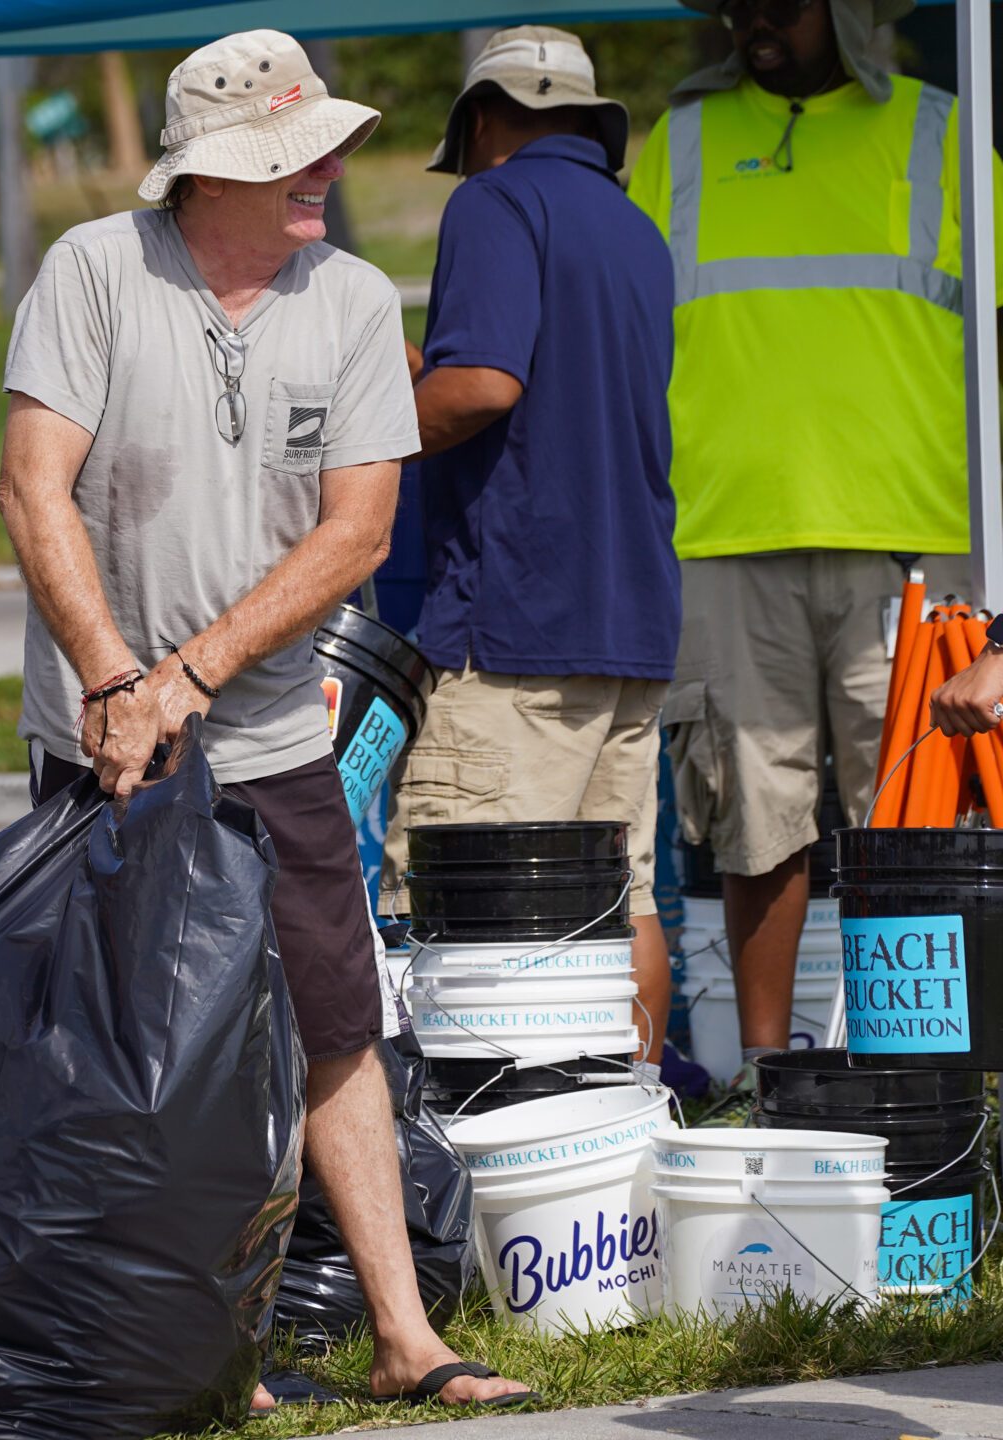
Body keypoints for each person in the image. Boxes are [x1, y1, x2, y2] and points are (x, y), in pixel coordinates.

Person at [0, 29, 531, 1412]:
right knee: (128, 1051)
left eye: (326, 145)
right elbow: (31, 490)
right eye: (295, 158)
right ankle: (182, 1351)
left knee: (337, 1023)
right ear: (209, 177)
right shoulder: (94, 273)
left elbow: (357, 533)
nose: (328, 171)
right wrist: (120, 683)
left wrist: (194, 675)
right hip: (101, 745)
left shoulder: (349, 298)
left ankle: (407, 1340)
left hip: (275, 738)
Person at [627, 0, 999, 1077]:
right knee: (755, 818)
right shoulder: (683, 140)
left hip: (916, 538)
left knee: (923, 823)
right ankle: (767, 1072)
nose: (754, 22)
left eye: (783, 2)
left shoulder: (945, 134)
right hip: (728, 529)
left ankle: (930, 1082)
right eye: (738, 4)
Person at [378, 27, 680, 1062]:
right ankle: (625, 1144)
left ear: (481, 123)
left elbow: (482, 388)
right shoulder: (635, 230)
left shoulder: (494, 201)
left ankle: (470, 1193)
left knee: (463, 909)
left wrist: (364, 435)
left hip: (514, 626)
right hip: (629, 623)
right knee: (620, 900)